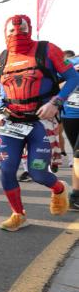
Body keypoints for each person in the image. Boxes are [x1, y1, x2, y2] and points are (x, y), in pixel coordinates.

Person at [0, 15, 79, 230]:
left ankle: (58, 189)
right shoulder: (0, 58)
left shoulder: (47, 49)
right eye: (11, 31)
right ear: (4, 32)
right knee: (7, 171)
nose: (17, 33)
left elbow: (74, 78)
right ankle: (18, 214)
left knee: (38, 173)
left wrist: (56, 102)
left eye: (21, 29)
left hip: (41, 123)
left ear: (30, 29)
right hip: (11, 122)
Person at [61, 54, 79, 210]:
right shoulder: (70, 62)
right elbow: (54, 85)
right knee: (76, 155)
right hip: (70, 114)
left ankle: (75, 194)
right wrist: (72, 75)